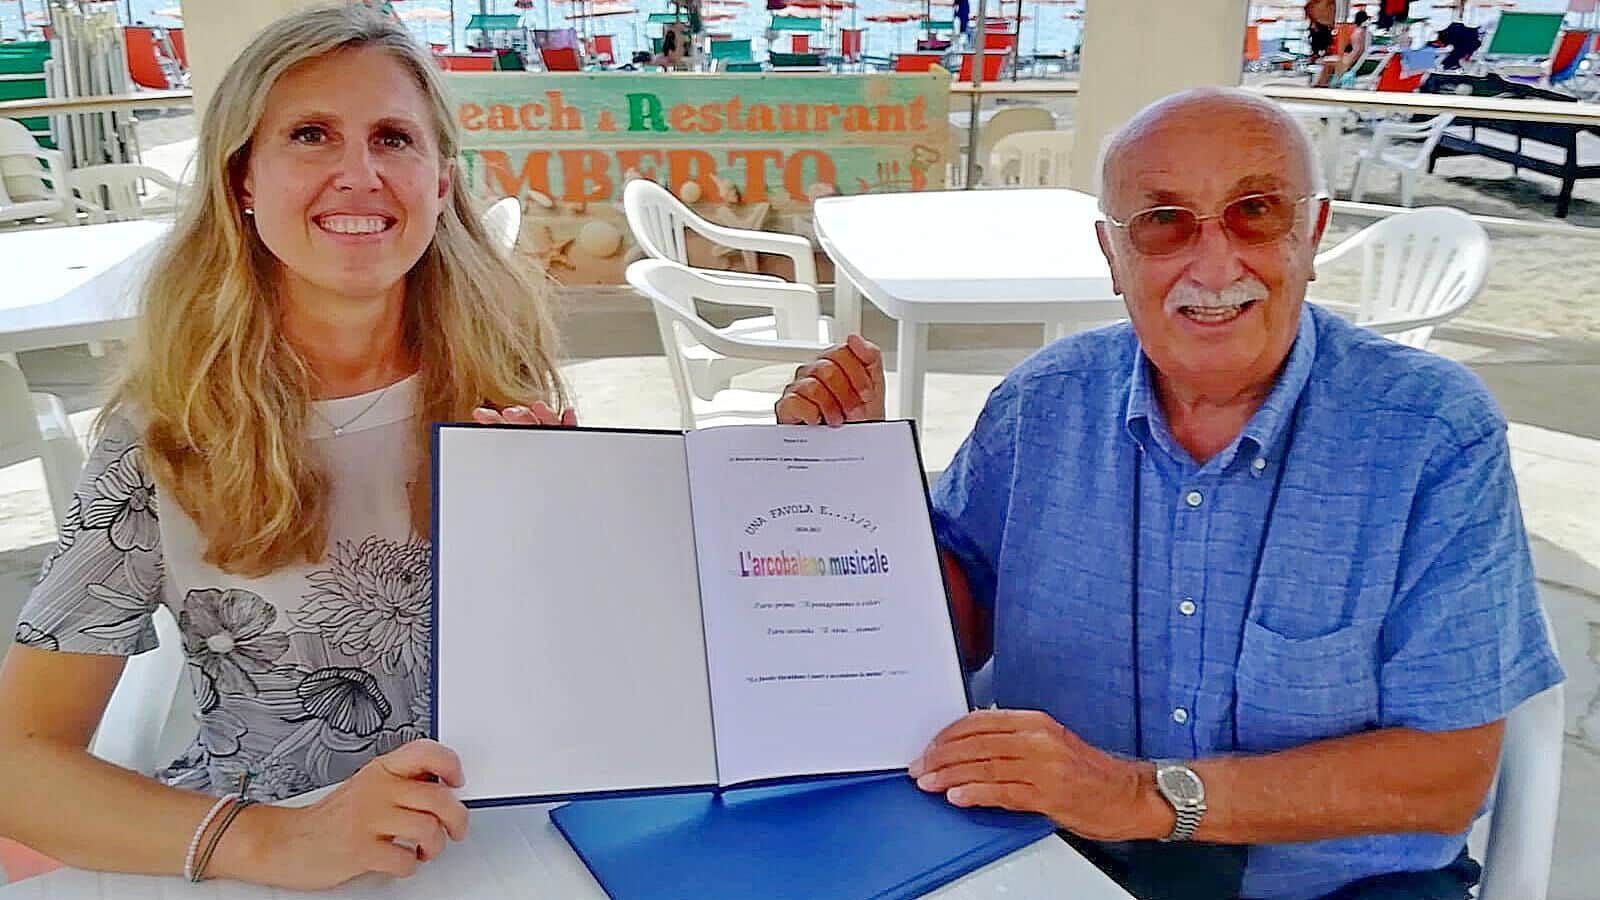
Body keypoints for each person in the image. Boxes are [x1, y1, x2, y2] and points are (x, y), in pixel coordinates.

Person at [776, 88, 1563, 900]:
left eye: (1255, 211)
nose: (1215, 265)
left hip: (1336, 887)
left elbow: (1445, 775)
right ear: (1112, 255)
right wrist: (860, 486)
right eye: (1163, 221)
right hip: (1059, 862)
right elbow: (954, 631)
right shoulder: (1043, 402)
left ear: (1313, 234)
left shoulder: (1430, 433)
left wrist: (1137, 797)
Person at [0, 4, 572, 890]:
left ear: (440, 182)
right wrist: (274, 842)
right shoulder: (165, 434)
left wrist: (778, 470)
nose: (359, 175)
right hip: (273, 861)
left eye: (392, 139)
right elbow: (19, 764)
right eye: (311, 135)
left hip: (508, 836)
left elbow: (587, 648)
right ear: (242, 180)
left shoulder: (506, 378)